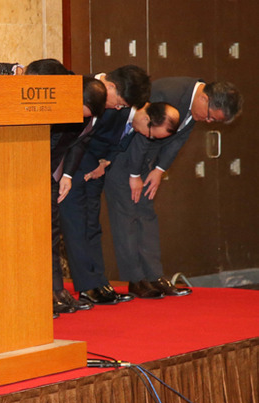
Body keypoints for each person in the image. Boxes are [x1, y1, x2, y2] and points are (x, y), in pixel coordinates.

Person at [105, 78, 242, 298]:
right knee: (127, 216)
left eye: (212, 120)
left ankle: (154, 275)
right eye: (209, 115)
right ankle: (135, 279)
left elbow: (179, 139)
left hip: (145, 162)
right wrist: (133, 174)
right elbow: (143, 132)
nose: (207, 121)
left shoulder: (194, 105)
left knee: (147, 214)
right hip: (125, 157)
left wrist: (159, 169)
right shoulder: (169, 93)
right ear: (204, 98)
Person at [59, 99, 179, 306]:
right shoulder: (113, 112)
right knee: (77, 226)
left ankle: (99, 282)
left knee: (93, 226)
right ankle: (87, 285)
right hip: (77, 166)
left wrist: (105, 162)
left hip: (98, 168)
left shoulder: (135, 122)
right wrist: (89, 165)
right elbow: (85, 138)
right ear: (147, 118)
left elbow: (117, 144)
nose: (147, 138)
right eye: (151, 134)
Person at [49, 72, 107, 315]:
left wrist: (68, 176)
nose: (81, 119)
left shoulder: (89, 117)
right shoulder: (48, 106)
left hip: (52, 173)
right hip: (27, 172)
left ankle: (56, 290)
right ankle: (44, 294)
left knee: (52, 233)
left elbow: (79, 144)